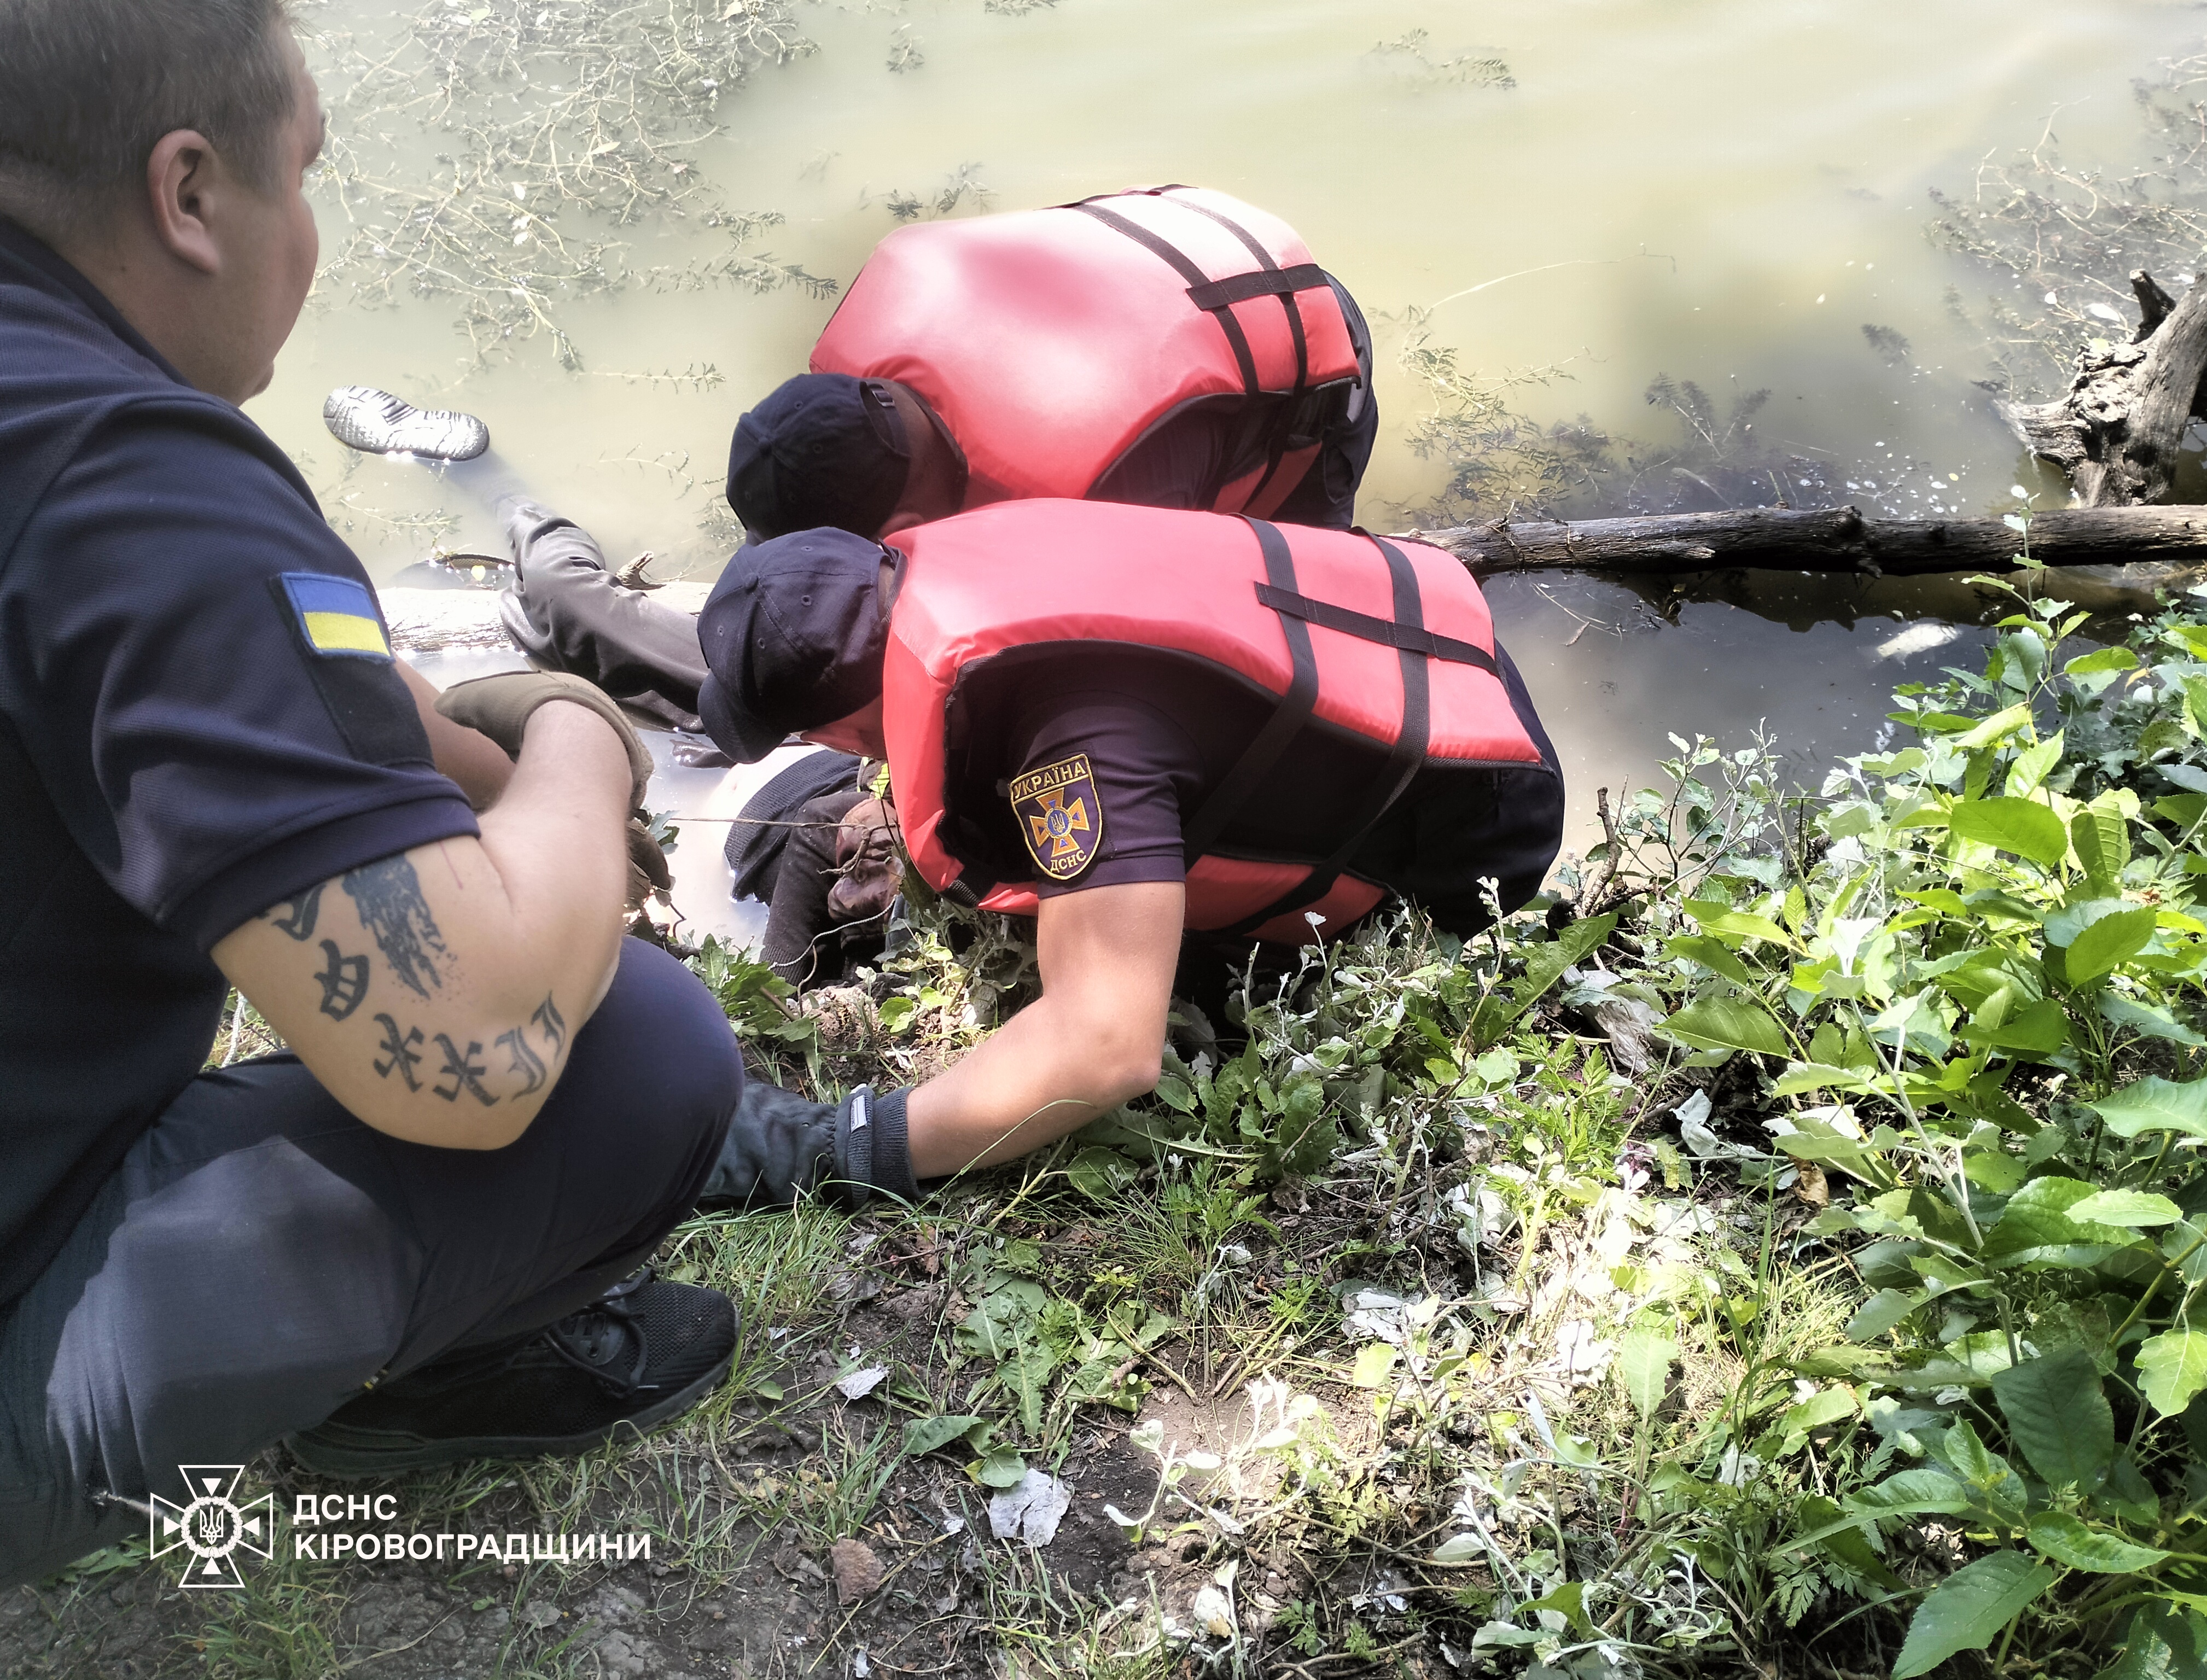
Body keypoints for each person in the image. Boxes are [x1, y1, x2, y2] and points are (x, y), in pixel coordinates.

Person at [0, 0, 748, 1588]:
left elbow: (305, 689)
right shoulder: (131, 482)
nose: (320, 234)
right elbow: (468, 1044)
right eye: (310, 173)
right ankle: (416, 1378)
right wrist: (588, 753)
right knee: (638, 1059)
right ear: (189, 196)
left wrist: (484, 744)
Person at [688, 499, 1567, 1210]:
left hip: (1480, 810)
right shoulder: (982, 552)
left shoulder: (1070, 750)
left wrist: (829, 1145)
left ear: (842, 725)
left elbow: (1107, 1045)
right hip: (1436, 640)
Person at [726, 185, 1380, 541]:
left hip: (1310, 352)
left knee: (1299, 591)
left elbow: (1160, 622)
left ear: (905, 529)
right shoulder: (897, 281)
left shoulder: (1095, 500)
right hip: (1191, 234)